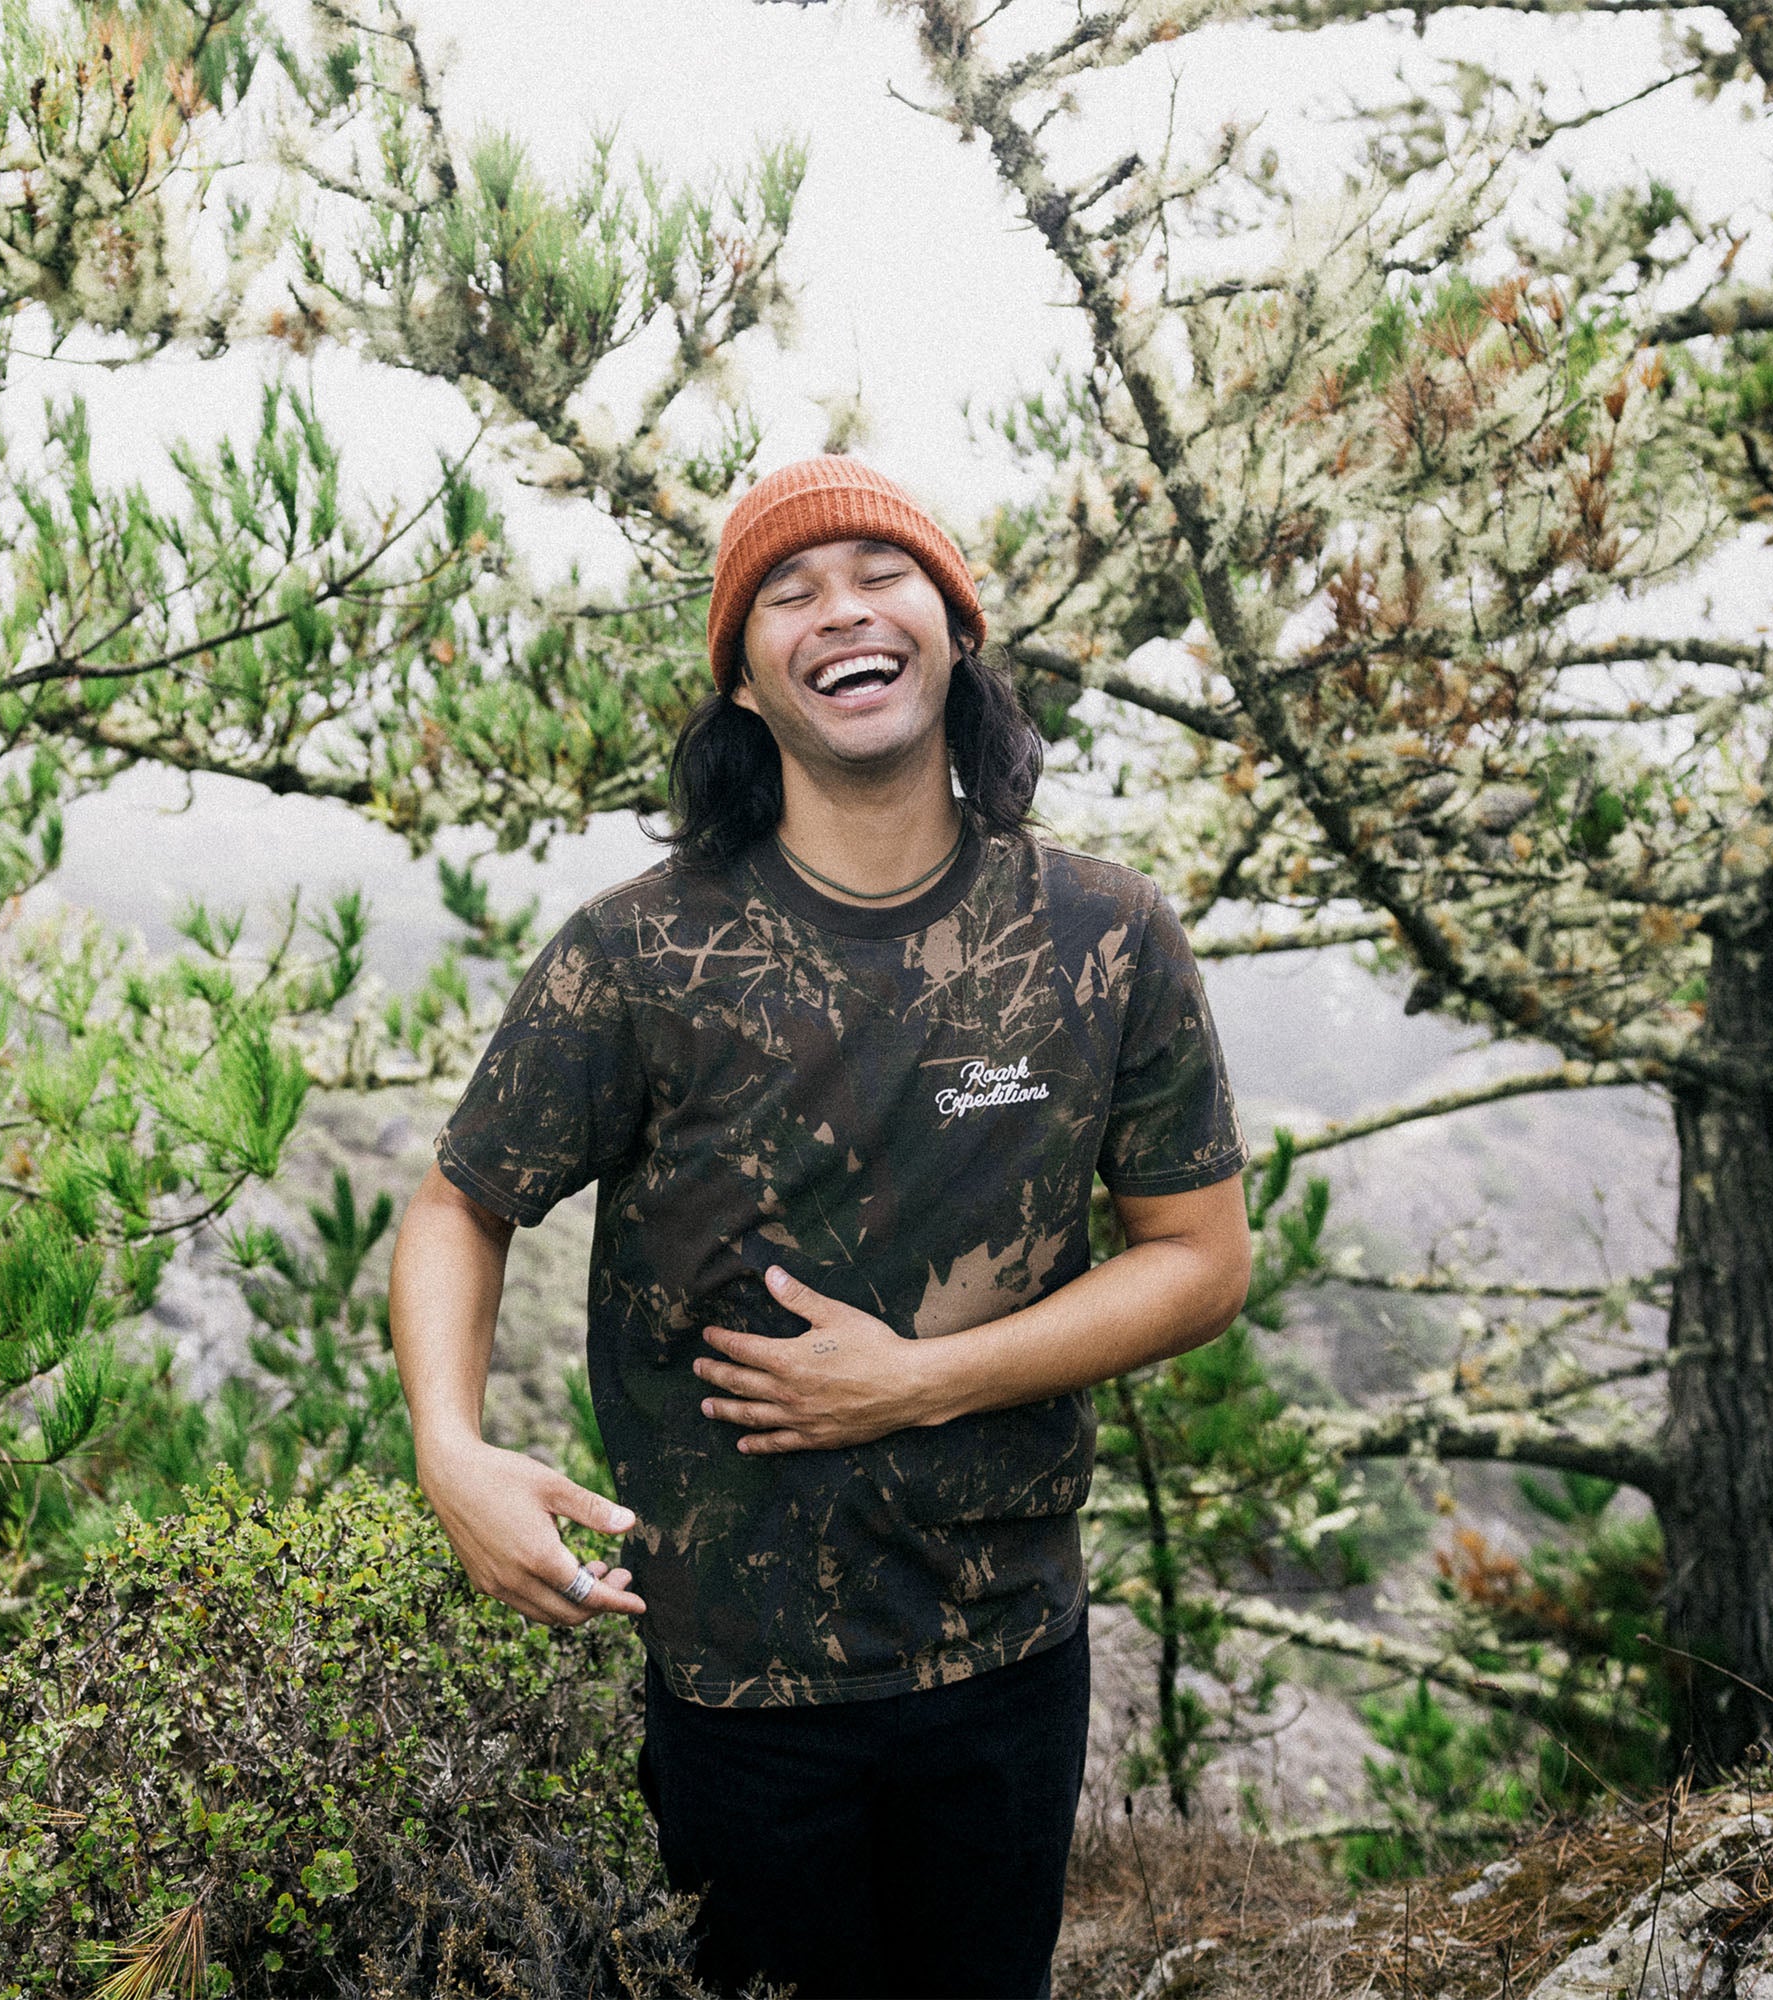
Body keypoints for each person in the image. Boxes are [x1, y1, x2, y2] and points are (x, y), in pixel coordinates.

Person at [388, 455, 1253, 2000]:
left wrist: (919, 1381)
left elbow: (1200, 1259)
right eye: (788, 594)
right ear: (743, 683)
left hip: (1007, 1656)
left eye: (880, 575)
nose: (841, 611)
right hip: (737, 1686)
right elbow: (463, 1203)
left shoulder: (1105, 937)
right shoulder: (641, 955)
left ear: (956, 631)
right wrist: (450, 1452)